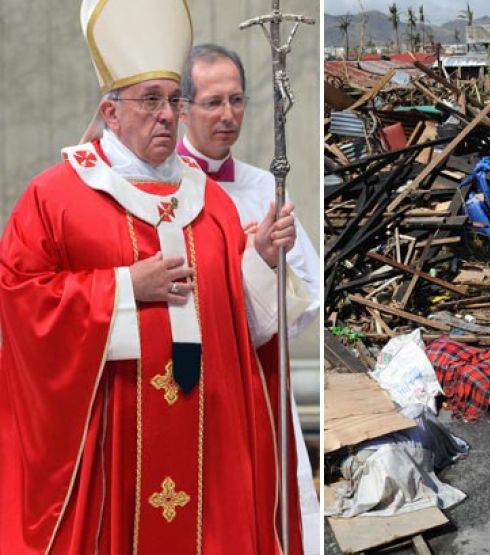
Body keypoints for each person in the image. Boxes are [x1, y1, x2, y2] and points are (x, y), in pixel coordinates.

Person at [0, 2, 308, 552]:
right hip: (112, 443)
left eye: (173, 101)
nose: (166, 115)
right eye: (149, 101)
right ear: (110, 112)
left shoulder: (209, 201)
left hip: (209, 441)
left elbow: (241, 331)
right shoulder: (56, 197)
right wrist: (122, 289)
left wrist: (256, 260)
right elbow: (20, 299)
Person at [177, 44, 322, 555]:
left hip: (260, 381)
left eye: (237, 100)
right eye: (213, 102)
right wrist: (247, 260)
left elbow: (308, 294)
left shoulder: (265, 189)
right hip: (188, 387)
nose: (228, 115)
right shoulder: (162, 191)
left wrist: (263, 262)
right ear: (182, 108)